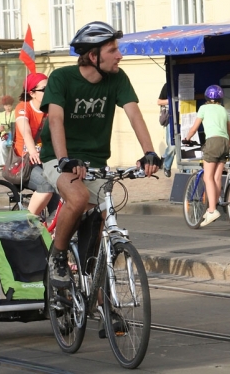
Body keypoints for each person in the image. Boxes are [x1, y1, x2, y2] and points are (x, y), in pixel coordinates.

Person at [39, 21, 161, 288]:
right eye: (113, 50)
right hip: (58, 156)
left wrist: (149, 152)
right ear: (93, 56)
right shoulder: (62, 78)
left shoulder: (118, 78)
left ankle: (98, 298)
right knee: (79, 197)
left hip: (96, 162)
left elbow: (134, 115)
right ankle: (57, 257)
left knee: (101, 218)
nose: (120, 55)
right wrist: (64, 160)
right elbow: (56, 120)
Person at [183, 85, 230, 228]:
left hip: (212, 142)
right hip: (224, 143)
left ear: (206, 97)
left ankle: (212, 210)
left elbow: (194, 128)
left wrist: (187, 138)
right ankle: (214, 204)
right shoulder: (223, 110)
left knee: (208, 177)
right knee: (217, 177)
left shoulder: (203, 108)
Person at [13, 72, 57, 215]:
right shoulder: (23, 107)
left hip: (47, 160)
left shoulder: (52, 109)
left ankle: (55, 228)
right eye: (45, 89)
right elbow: (25, 131)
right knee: (47, 184)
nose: (49, 91)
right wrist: (32, 151)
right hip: (26, 163)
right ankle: (27, 221)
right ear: (32, 93)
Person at [0, 95, 15, 171]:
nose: (7, 108)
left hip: (12, 135)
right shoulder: (2, 114)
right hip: (4, 135)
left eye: (9, 106)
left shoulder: (14, 113)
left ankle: (6, 164)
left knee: (2, 146)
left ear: (12, 105)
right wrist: (0, 128)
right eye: (6, 106)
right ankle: (0, 165)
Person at [159, 83, 175, 178]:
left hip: (184, 117)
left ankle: (186, 170)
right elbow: (159, 101)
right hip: (170, 119)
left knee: (184, 146)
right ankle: (167, 165)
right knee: (172, 145)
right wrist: (173, 101)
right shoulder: (167, 85)